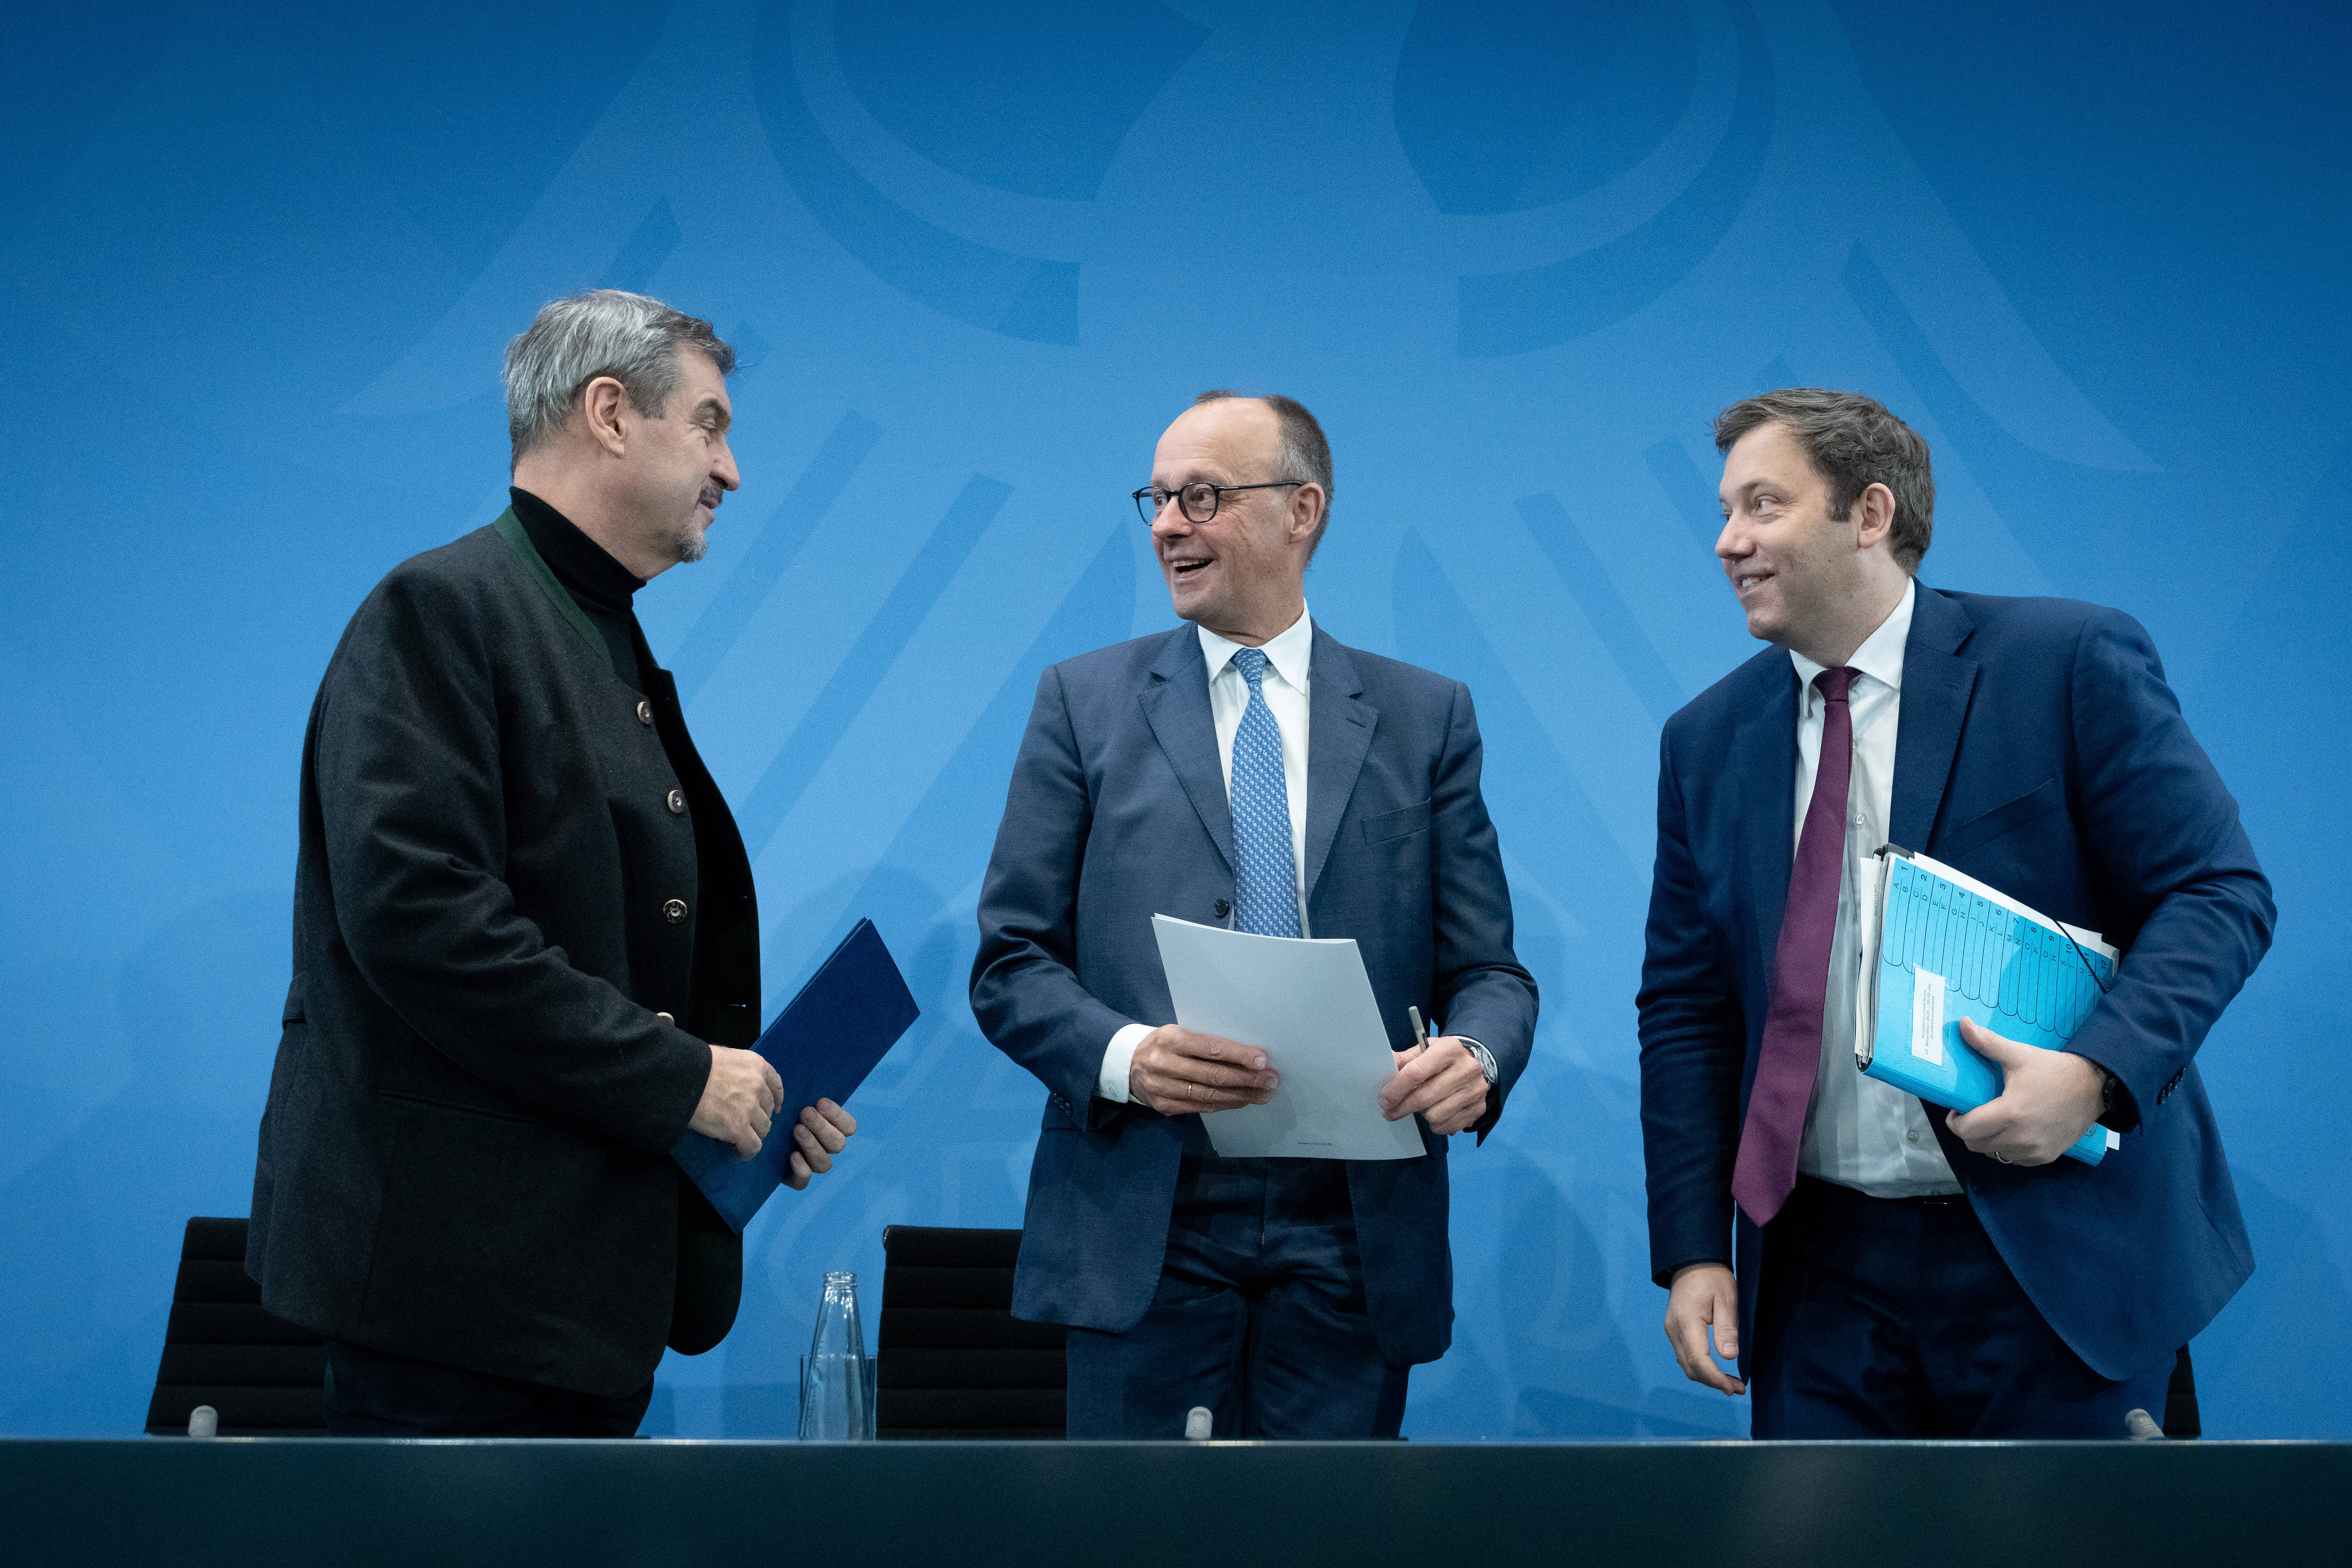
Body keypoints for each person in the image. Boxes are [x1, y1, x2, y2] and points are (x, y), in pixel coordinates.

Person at [246, 290, 857, 1436]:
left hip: (568, 1296)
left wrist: (752, 1106)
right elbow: (423, 922)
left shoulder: (593, 627)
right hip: (454, 1301)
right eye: (712, 426)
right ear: (612, 413)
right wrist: (685, 1079)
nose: (733, 471)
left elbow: (610, 957)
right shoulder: (441, 609)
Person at [1638, 387, 2272, 1437]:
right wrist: (1698, 1247)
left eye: (1761, 506)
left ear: (1870, 513)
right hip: (1819, 1277)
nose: (1727, 542)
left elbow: (2219, 892)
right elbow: (1687, 1006)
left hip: (2051, 1252)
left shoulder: (2063, 664)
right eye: (1725, 512)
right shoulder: (1707, 739)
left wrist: (2094, 1076)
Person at [970, 390, 1538, 1438]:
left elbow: (1491, 973)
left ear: (1302, 510)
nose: (1168, 525)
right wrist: (1128, 1055)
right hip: (1149, 1211)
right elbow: (1011, 963)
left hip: (1353, 1233)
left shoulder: (1426, 718)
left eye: (1203, 497)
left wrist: (1475, 1054)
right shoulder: (1081, 703)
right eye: (1158, 499)